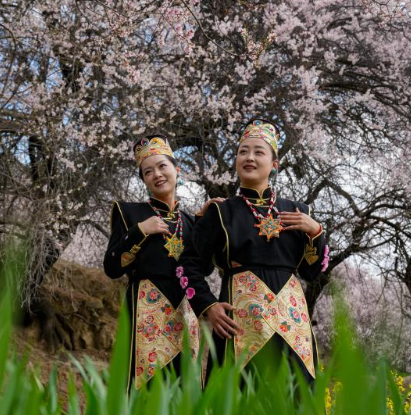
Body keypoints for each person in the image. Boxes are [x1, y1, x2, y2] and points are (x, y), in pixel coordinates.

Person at [179, 118, 329, 384]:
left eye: (258, 152)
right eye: (243, 151)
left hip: (292, 328)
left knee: (296, 398)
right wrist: (208, 306)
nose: (249, 157)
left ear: (274, 164)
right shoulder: (220, 211)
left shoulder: (299, 212)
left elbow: (312, 271)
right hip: (240, 326)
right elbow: (187, 266)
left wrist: (316, 232)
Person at [103, 135, 210, 389]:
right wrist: (140, 230)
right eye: (148, 171)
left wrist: (206, 228)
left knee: (186, 388)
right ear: (143, 179)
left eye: (163, 166)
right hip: (146, 311)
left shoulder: (190, 221)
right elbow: (112, 267)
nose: (157, 174)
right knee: (146, 386)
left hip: (185, 311)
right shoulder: (129, 212)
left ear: (177, 169)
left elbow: (205, 269)